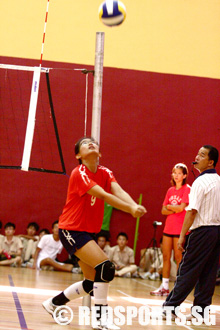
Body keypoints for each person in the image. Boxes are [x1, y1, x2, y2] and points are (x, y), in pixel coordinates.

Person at [42, 136, 146, 329]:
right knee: (106, 268)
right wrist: (129, 210)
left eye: (93, 142)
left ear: (100, 152)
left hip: (87, 232)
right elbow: (105, 195)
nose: (90, 143)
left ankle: (53, 303)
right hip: (72, 229)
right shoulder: (79, 173)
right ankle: (101, 320)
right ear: (78, 155)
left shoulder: (105, 172)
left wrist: (133, 204)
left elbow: (118, 190)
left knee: (92, 282)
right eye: (84, 144)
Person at [162, 145, 220, 321]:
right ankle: (200, 312)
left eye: (202, 155)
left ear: (210, 162)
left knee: (187, 270)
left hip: (202, 231)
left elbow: (191, 211)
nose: (197, 156)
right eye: (198, 153)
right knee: (209, 272)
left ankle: (170, 307)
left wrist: (182, 235)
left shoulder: (200, 182)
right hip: (217, 232)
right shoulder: (218, 180)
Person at [151, 163, 191, 296]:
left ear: (184, 175)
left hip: (180, 229)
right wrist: (173, 207)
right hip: (168, 227)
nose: (176, 175)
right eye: (175, 173)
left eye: (179, 173)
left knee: (179, 258)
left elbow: (181, 208)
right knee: (166, 257)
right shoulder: (170, 190)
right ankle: (164, 286)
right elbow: (163, 210)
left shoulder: (187, 189)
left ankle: (179, 288)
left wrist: (170, 207)